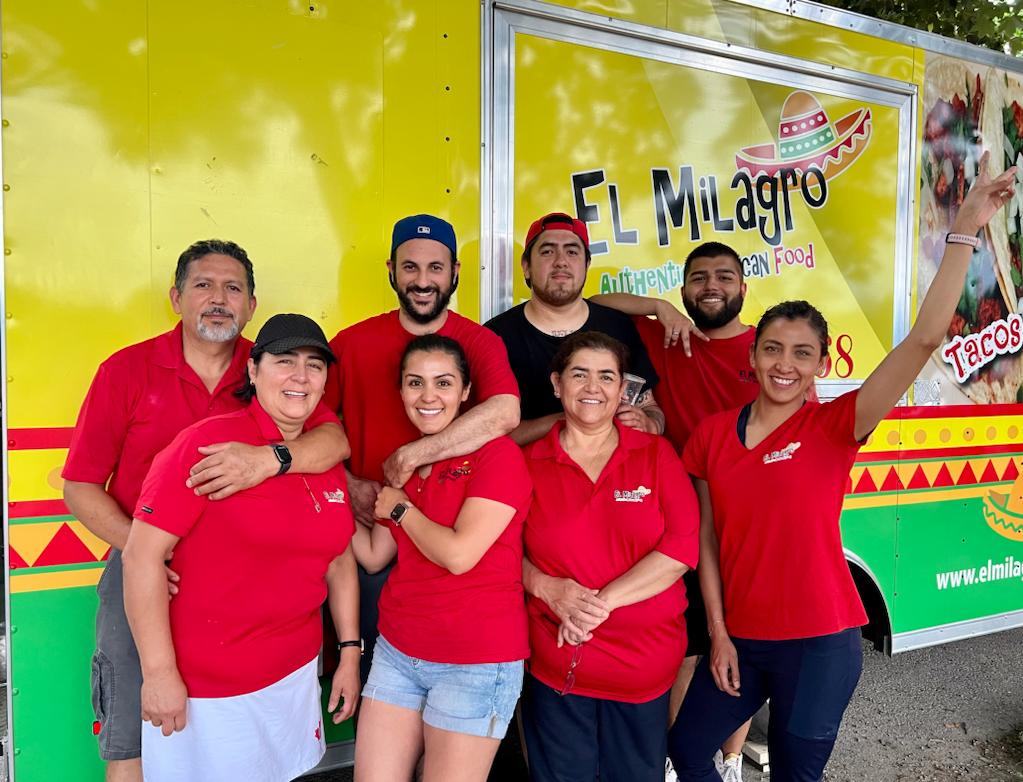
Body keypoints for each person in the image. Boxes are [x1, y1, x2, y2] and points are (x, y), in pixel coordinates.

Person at [668, 153, 1017, 782]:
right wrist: (717, 633)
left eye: (803, 353)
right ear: (752, 353)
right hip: (741, 638)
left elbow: (923, 340)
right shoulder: (713, 436)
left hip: (821, 644)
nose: (785, 363)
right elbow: (709, 542)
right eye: (773, 348)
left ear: (821, 365)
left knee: (794, 776)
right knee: (689, 750)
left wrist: (963, 228)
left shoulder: (837, 425)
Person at [61, 240, 347, 782]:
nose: (218, 299)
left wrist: (271, 459)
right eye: (203, 286)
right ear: (176, 297)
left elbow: (334, 439)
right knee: (138, 736)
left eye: (233, 288)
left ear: (251, 305)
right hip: (144, 574)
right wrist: (144, 551)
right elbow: (79, 486)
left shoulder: (271, 369)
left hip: (242, 590)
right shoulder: (127, 371)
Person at [122, 313, 361, 782]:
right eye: (284, 361)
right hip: (211, 692)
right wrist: (159, 674)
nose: (300, 376)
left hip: (293, 676)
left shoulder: (322, 453)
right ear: (252, 371)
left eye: (314, 365)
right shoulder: (207, 446)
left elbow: (339, 557)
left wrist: (349, 653)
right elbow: (140, 556)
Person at [595, 241, 776, 781]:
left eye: (724, 276)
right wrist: (658, 308)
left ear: (744, 287)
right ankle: (682, 761)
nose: (711, 287)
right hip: (682, 521)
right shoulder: (667, 337)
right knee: (690, 647)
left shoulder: (764, 350)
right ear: (684, 289)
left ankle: (730, 761)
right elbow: (597, 304)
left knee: (742, 646)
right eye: (698, 278)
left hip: (747, 526)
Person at [324, 214, 520, 679]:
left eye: (436, 268)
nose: (423, 281)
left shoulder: (480, 342)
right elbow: (315, 423)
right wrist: (346, 483)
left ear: (454, 272)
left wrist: (410, 457)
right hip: (375, 535)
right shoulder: (352, 343)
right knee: (374, 675)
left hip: (451, 538)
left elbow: (505, 413)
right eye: (411, 268)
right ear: (391, 270)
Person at [350, 335, 532, 782]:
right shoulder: (407, 467)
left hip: (474, 659)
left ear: (466, 391)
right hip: (398, 651)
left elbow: (459, 554)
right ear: (402, 392)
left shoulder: (498, 456)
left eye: (443, 383)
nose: (428, 396)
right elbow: (374, 555)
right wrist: (324, 488)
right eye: (415, 383)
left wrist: (398, 508)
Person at [520, 330, 700, 781]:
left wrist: (596, 606)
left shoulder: (657, 455)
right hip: (557, 666)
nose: (592, 388)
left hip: (643, 668)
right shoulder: (526, 463)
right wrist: (547, 588)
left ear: (623, 390)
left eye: (606, 377)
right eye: (579, 375)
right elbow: (500, 550)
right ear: (557, 384)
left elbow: (681, 547)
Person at [485, 212, 664, 445]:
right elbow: (489, 433)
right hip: (525, 474)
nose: (561, 261)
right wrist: (576, 416)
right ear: (526, 266)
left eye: (572, 251)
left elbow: (651, 409)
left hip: (612, 474)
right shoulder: (495, 337)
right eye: (547, 251)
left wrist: (649, 423)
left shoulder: (618, 326)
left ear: (587, 265)